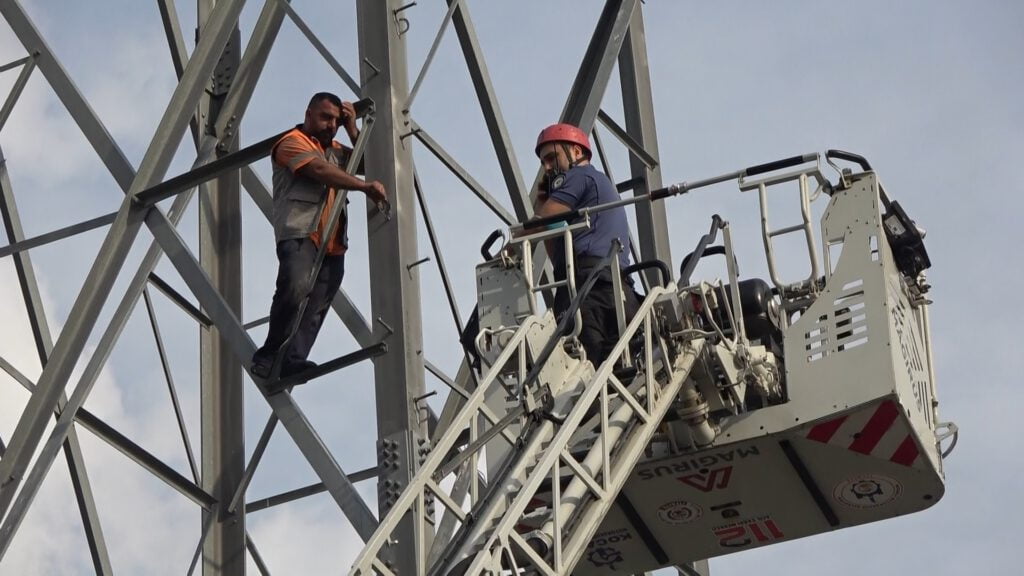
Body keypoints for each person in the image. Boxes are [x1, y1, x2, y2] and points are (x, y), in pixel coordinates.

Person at [251, 92, 388, 379]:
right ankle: (270, 352)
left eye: (337, 121)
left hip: (332, 243)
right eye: (326, 117)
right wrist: (362, 188)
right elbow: (318, 169)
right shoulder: (291, 142)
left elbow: (374, 162)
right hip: (301, 234)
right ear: (308, 114)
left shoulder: (337, 149)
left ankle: (293, 360)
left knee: (318, 304)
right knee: (295, 288)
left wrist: (353, 130)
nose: (331, 125)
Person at [532, 123, 639, 367]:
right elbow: (556, 252)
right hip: (609, 287)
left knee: (583, 368)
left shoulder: (579, 176)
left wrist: (508, 250)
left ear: (576, 152)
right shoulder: (594, 183)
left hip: (589, 287)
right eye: (543, 163)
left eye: (552, 158)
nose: (547, 168)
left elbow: (540, 222)